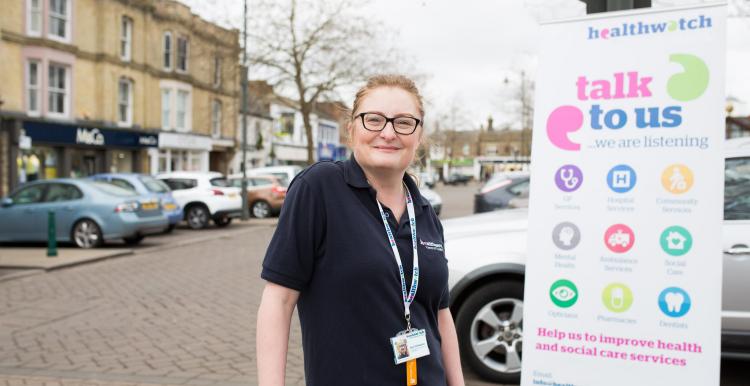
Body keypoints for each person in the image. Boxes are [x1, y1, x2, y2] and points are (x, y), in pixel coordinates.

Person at [256, 74, 465, 386]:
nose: (388, 132)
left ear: (419, 135)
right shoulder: (320, 187)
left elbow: (440, 314)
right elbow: (279, 299)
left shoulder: (424, 212)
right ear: (351, 129)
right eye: (374, 120)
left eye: (404, 122)